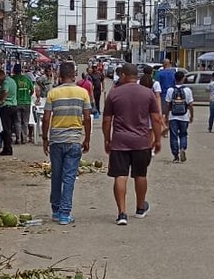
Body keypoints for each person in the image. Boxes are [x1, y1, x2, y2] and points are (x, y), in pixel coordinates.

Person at [103, 63, 162, 225]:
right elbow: (156, 118)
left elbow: (107, 120)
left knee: (120, 176)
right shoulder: (147, 94)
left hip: (120, 141)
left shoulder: (114, 94)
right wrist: (157, 139)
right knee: (140, 175)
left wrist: (107, 139)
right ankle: (140, 208)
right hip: (142, 142)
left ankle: (122, 213)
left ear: (123, 75)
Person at [43, 62, 92, 225]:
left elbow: (46, 118)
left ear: (59, 75)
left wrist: (44, 138)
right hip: (74, 140)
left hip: (56, 140)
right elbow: (86, 117)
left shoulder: (52, 93)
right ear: (74, 75)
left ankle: (56, 210)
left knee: (56, 176)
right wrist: (87, 139)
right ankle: (65, 213)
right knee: (69, 177)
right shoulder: (83, 93)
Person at [165, 70, 195, 162]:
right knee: (183, 134)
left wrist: (166, 116)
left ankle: (175, 156)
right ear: (183, 79)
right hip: (184, 116)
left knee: (173, 136)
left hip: (173, 116)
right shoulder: (187, 90)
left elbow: (168, 105)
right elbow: (190, 105)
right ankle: (183, 148)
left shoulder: (170, 90)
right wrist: (192, 116)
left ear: (175, 79)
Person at [0, 69, 17, 156]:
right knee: (9, 129)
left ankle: (7, 149)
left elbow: (5, 91)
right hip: (13, 106)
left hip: (6, 107)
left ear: (0, 75)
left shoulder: (6, 82)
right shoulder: (11, 80)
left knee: (6, 129)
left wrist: (0, 101)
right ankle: (8, 147)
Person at [13, 65, 34, 144]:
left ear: (14, 71)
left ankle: (18, 139)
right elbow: (32, 90)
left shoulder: (13, 79)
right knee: (25, 121)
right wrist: (28, 96)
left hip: (17, 102)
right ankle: (24, 138)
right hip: (27, 102)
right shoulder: (27, 79)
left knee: (17, 121)